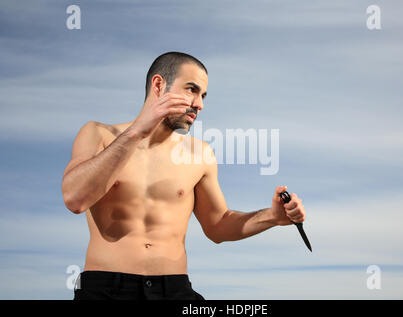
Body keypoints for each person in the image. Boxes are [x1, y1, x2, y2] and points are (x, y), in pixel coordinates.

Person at [61, 51, 306, 300]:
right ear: (158, 85)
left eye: (203, 96)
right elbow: (75, 199)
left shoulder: (200, 154)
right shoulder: (98, 134)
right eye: (191, 89)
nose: (199, 104)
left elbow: (218, 226)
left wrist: (272, 217)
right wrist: (137, 132)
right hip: (105, 289)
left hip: (174, 290)